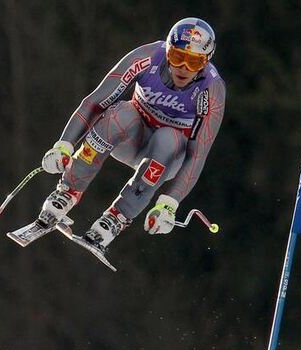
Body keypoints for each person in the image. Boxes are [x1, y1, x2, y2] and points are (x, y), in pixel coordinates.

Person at [38, 17, 226, 255]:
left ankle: (118, 217)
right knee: (121, 113)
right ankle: (67, 192)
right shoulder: (147, 58)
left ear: (205, 62)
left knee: (169, 137)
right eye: (178, 57)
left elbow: (197, 154)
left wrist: (169, 204)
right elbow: (95, 102)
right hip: (132, 138)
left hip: (168, 156)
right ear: (168, 52)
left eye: (194, 62)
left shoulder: (211, 89)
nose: (183, 69)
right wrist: (63, 145)